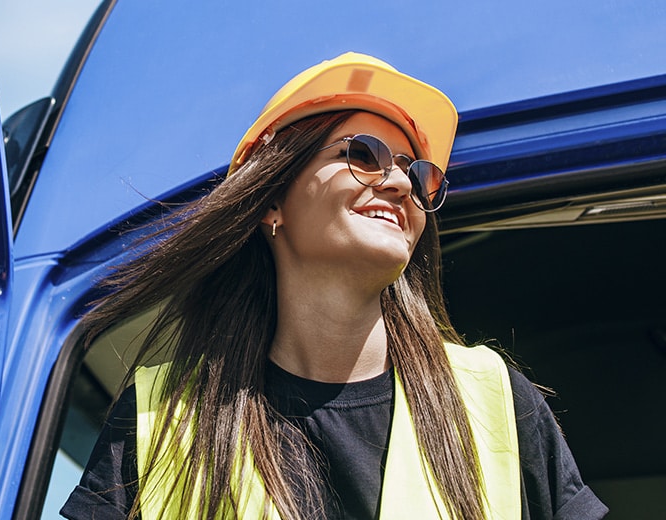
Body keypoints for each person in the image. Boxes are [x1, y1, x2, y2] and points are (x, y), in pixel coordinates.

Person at [61, 53, 608, 519]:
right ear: (271, 201)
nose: (399, 183)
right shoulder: (163, 416)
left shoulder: (496, 400)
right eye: (363, 154)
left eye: (419, 175)